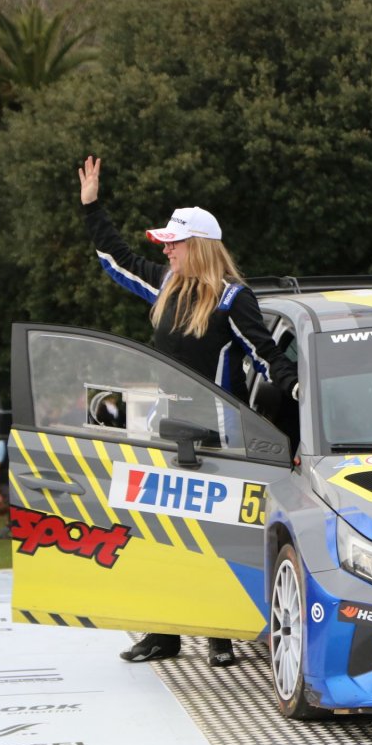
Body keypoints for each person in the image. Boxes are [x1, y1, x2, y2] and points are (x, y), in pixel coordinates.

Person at [78, 155, 298, 667]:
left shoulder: (232, 298)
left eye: (174, 243)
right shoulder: (165, 284)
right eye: (166, 244)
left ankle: (221, 635)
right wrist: (91, 208)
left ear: (197, 246)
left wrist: (299, 392)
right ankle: (164, 634)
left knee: (217, 536)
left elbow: (268, 357)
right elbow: (115, 258)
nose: (166, 250)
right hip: (166, 432)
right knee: (160, 536)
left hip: (219, 438)